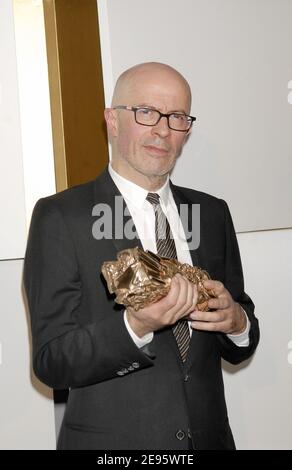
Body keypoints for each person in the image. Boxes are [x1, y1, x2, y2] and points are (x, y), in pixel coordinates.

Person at [24, 62, 259, 450]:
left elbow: (240, 339)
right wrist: (134, 326)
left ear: (187, 130)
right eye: (146, 112)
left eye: (177, 117)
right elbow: (52, 361)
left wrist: (237, 322)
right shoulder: (61, 216)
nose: (163, 130)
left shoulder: (212, 213)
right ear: (112, 121)